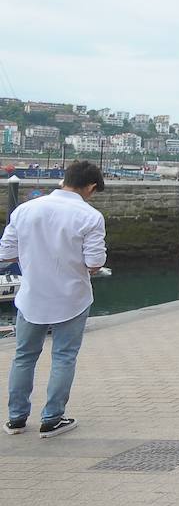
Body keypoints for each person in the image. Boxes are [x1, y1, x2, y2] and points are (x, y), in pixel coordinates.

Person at [2, 160, 106, 438]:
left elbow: (6, 253)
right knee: (63, 357)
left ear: (65, 179)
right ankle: (51, 418)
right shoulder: (90, 216)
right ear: (91, 187)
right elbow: (94, 262)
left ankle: (16, 419)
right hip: (71, 297)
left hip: (31, 296)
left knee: (24, 357)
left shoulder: (25, 210)